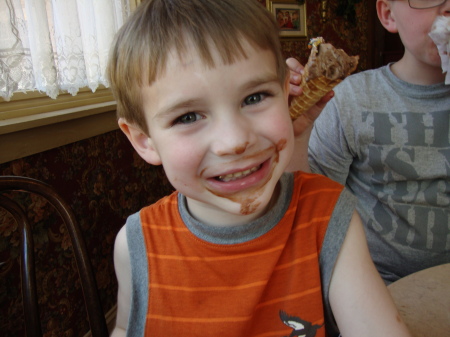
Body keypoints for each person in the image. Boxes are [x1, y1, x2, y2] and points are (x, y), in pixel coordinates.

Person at [107, 0, 412, 336]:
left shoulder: (328, 217)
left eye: (254, 98)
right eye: (188, 117)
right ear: (144, 140)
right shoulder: (137, 246)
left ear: (285, 94)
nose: (235, 141)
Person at [287, 0, 450, 284]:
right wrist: (294, 134)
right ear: (388, 15)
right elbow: (311, 206)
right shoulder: (350, 100)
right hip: (373, 282)